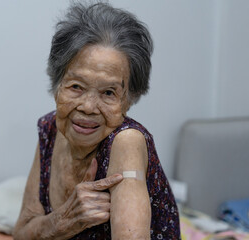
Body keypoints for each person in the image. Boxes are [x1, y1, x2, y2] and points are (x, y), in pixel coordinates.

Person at [13, 2, 180, 239]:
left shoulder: (126, 142)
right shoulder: (51, 128)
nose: (89, 107)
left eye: (109, 93)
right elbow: (21, 233)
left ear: (129, 100)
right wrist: (63, 221)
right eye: (76, 87)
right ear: (56, 86)